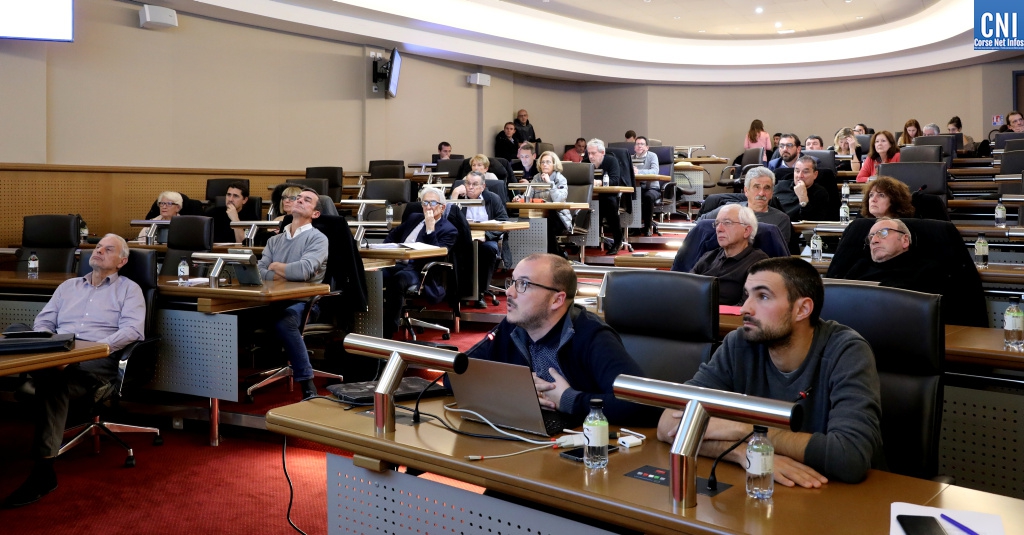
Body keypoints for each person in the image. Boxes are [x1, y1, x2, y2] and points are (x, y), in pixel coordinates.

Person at [657, 257, 884, 486]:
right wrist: (747, 453)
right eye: (746, 295)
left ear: (802, 309)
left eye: (763, 296)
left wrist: (741, 429)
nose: (745, 308)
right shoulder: (739, 343)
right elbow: (668, 425)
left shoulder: (847, 351)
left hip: (839, 499)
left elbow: (850, 457)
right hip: (765, 491)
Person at [3, 234, 145, 508]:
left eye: (109, 249)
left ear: (122, 261)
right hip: (57, 354)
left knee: (52, 382)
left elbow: (132, 330)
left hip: (93, 364)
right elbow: (44, 320)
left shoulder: (129, 290)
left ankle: (43, 473)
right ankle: (44, 369)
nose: (99, 250)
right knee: (15, 333)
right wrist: (50, 346)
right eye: (98, 246)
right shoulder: (69, 286)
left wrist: (86, 350)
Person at [466, 253, 658, 426]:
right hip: (524, 435)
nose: (509, 292)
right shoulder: (512, 328)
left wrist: (569, 399)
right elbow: (456, 373)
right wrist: (512, 387)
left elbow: (644, 404)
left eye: (523, 284)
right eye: (512, 282)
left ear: (557, 300)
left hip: (586, 448)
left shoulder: (592, 336)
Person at [257, 188, 329, 400]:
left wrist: (276, 266)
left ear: (315, 214)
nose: (299, 201)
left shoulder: (318, 239)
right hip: (272, 300)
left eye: (307, 200)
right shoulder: (274, 240)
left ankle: (307, 384)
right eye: (298, 198)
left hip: (305, 302)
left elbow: (303, 271)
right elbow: (259, 272)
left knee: (285, 322)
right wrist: (284, 272)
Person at [380, 187, 459, 338]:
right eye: (425, 203)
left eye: (432, 202)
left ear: (442, 207)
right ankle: (368, 323)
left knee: (397, 281)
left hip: (418, 269)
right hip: (395, 262)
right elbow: (392, 236)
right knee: (372, 276)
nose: (428, 206)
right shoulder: (413, 218)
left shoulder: (450, 230)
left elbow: (435, 255)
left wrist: (430, 228)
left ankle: (388, 331)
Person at [842, 218, 948, 296]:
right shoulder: (860, 267)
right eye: (871, 237)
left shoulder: (928, 271)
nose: (874, 240)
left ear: (905, 240)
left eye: (883, 233)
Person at [451, 171, 508, 308]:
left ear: (483, 186)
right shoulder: (459, 199)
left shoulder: (492, 199)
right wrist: (454, 195)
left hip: (485, 239)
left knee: (488, 249)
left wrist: (487, 235)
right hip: (462, 239)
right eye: (468, 183)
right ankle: (462, 292)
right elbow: (447, 218)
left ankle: (480, 293)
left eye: (475, 184)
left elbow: (503, 221)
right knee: (458, 251)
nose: (470, 187)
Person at [691, 205, 768, 305]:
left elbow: (747, 307)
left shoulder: (759, 263)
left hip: (727, 319)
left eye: (727, 223)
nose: (719, 229)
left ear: (746, 231)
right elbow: (687, 288)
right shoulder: (709, 256)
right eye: (717, 223)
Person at [699, 166, 792, 243]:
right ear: (746, 190)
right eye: (756, 187)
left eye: (767, 188)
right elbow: (699, 224)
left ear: (772, 192)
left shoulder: (781, 220)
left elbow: (777, 254)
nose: (761, 193)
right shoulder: (729, 210)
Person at [513, 151, 569, 256]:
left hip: (559, 217)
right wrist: (519, 198)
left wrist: (549, 183)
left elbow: (559, 199)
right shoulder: (536, 178)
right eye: (542, 162)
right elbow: (528, 195)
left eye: (548, 162)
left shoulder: (560, 179)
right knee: (530, 221)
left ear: (554, 164)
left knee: (546, 223)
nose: (545, 164)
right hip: (540, 215)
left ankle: (555, 255)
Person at [587, 138, 625, 255]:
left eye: (593, 153)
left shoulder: (611, 161)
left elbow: (614, 180)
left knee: (610, 203)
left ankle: (618, 241)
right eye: (589, 153)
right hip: (590, 196)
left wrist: (599, 182)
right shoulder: (585, 162)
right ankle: (581, 240)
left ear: (602, 152)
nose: (590, 156)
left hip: (608, 195)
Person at [774, 156, 831, 222]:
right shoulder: (780, 186)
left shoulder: (820, 193)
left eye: (805, 172)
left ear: (815, 175)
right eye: (797, 171)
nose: (800, 176)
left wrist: (803, 198)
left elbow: (811, 222)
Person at [632, 135, 661, 236]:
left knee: (647, 197)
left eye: (642, 144)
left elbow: (655, 171)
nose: (639, 146)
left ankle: (647, 227)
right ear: (634, 147)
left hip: (652, 188)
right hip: (636, 188)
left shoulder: (652, 156)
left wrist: (638, 172)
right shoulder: (631, 158)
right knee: (630, 197)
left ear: (647, 147)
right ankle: (634, 227)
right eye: (637, 144)